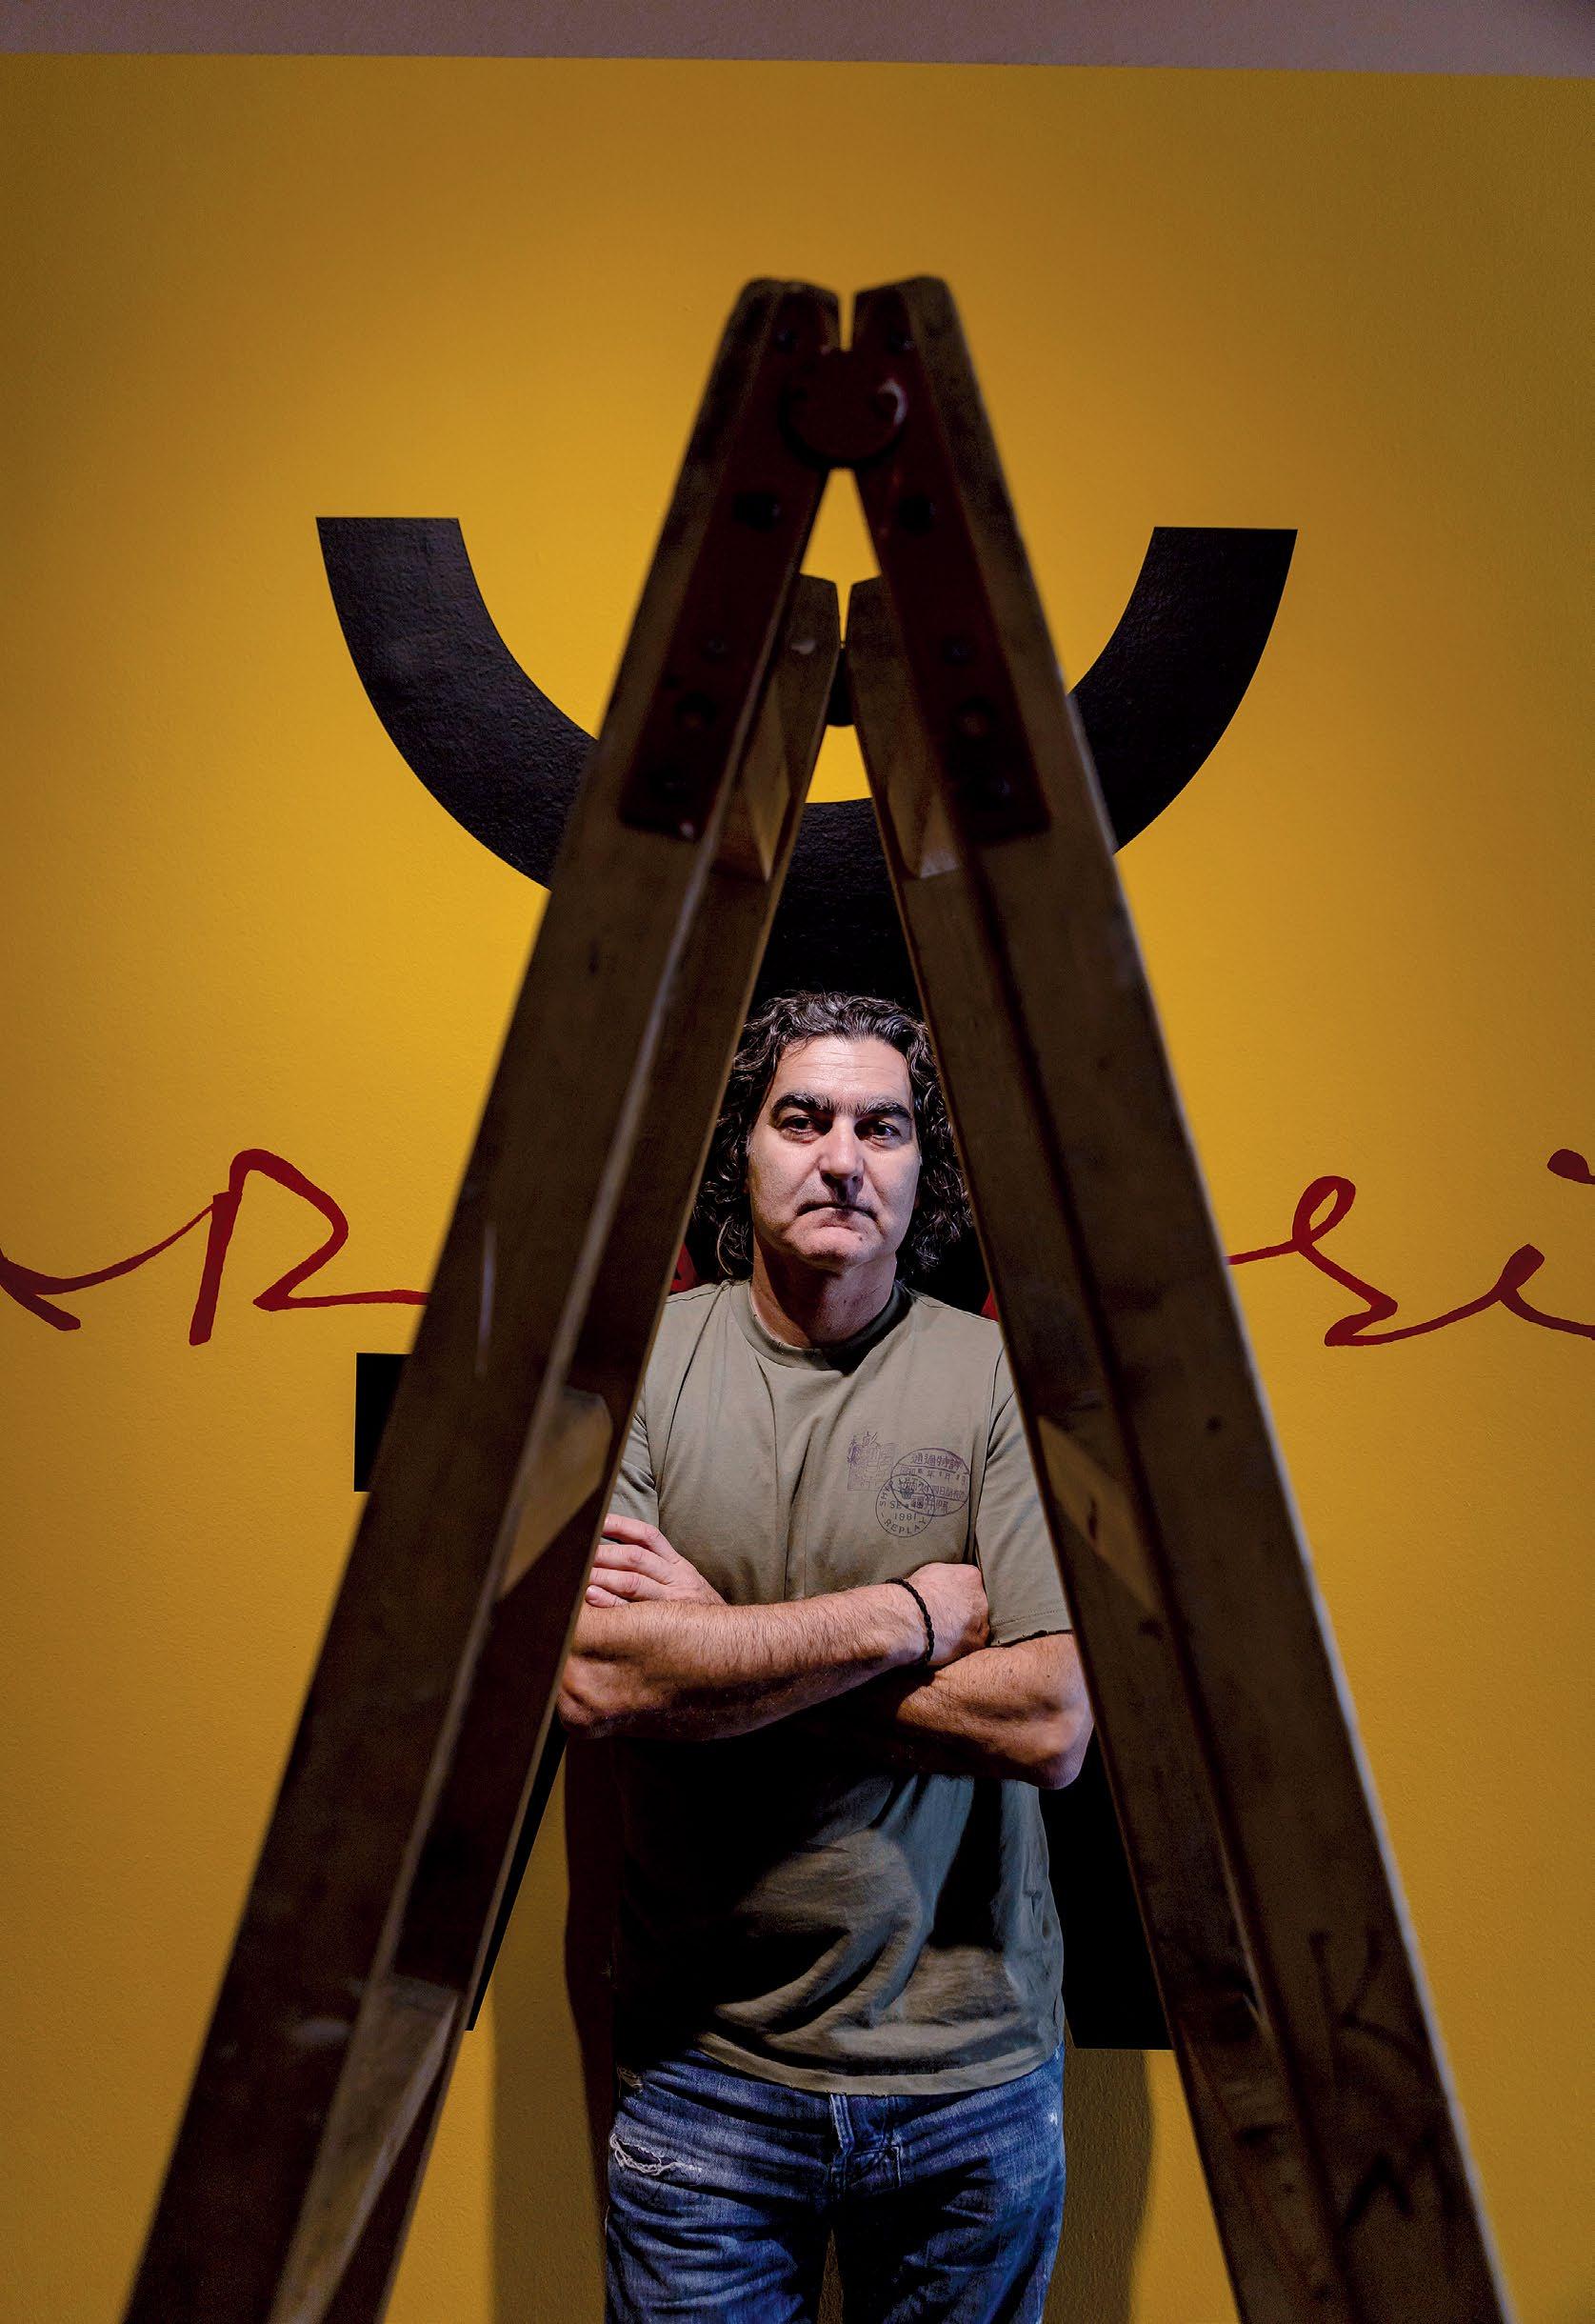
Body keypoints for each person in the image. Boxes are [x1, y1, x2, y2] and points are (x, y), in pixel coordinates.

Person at [557, 991, 1093, 2324]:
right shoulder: (644, 1368)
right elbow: (597, 1681)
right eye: (802, 1119)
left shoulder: (1001, 1379)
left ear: (925, 1168)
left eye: (883, 1127)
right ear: (744, 1150)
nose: (843, 1158)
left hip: (970, 2073)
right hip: (706, 2067)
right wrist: (905, 1616)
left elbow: (1049, 1726)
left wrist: (716, 1650)